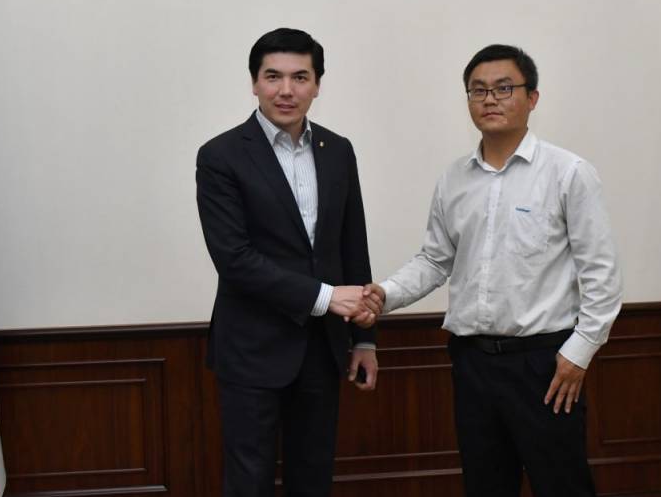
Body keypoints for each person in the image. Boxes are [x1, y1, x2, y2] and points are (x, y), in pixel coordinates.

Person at [362, 44, 622, 497]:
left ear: (532, 98)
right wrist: (385, 294)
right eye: (478, 90)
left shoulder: (569, 173)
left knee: (562, 485)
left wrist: (579, 353)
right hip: (472, 362)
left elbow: (601, 275)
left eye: (504, 88)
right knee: (485, 485)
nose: (490, 99)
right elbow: (434, 260)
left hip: (545, 364)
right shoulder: (454, 179)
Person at [196, 28, 381, 497]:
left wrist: (364, 338)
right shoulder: (220, 156)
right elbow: (234, 259)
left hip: (322, 348)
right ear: (254, 83)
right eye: (273, 76)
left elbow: (351, 245)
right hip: (251, 348)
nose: (286, 90)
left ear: (317, 84)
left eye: (300, 77)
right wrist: (325, 297)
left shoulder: (338, 150)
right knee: (249, 481)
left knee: (313, 477)